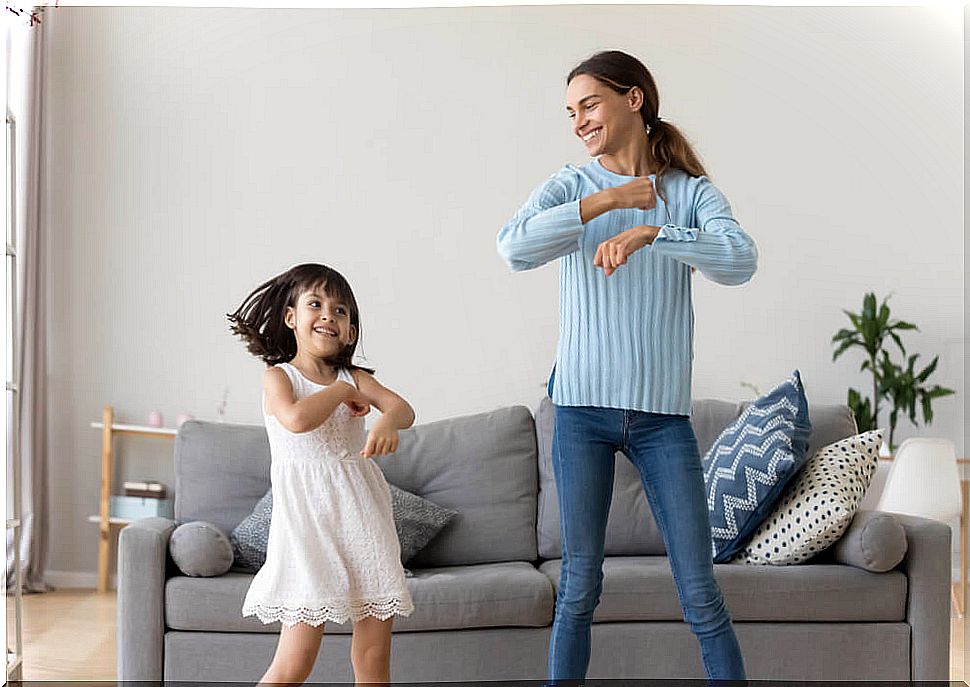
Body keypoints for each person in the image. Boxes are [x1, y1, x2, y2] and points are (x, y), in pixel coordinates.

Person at [496, 50, 757, 684]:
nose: (579, 122)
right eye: (571, 112)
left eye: (589, 104)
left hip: (662, 418)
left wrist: (654, 233)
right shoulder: (572, 184)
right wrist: (607, 201)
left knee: (700, 591)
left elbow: (740, 259)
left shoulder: (690, 194)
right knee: (579, 587)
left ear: (633, 99)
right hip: (581, 412)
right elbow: (513, 247)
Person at [227, 262, 416, 686]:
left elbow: (403, 409)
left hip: (364, 522)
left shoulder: (355, 377)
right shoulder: (280, 377)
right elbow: (296, 420)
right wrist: (341, 392)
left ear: (349, 332)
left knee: (372, 658)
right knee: (295, 663)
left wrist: (386, 422)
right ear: (292, 317)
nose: (329, 315)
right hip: (308, 531)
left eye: (341, 310)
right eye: (317, 304)